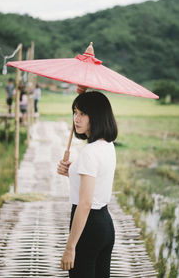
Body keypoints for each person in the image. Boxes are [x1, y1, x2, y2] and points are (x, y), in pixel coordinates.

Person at [57, 91, 118, 278]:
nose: (77, 118)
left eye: (83, 113)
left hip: (88, 228)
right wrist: (71, 173)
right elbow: (96, 181)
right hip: (105, 225)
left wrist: (70, 247)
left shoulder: (89, 152)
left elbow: (85, 204)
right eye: (75, 112)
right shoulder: (108, 145)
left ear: (97, 116)